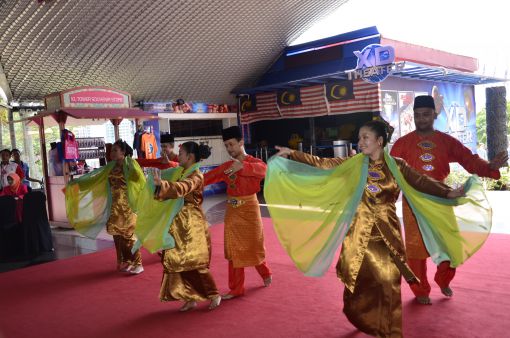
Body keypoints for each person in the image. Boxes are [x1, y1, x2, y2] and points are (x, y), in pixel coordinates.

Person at [270, 120, 467, 337]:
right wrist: (293, 154)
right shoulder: (355, 163)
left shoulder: (397, 165)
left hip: (388, 232)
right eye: (359, 137)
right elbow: (324, 163)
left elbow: (421, 181)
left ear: (379, 141)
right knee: (359, 280)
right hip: (360, 232)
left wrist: (448, 192)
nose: (360, 141)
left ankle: (390, 330)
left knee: (389, 279)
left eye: (365, 137)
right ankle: (361, 316)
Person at [390, 95, 508, 305]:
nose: (421, 119)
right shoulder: (401, 144)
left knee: (447, 245)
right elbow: (391, 174)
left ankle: (443, 279)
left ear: (434, 115)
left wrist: (489, 167)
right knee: (416, 250)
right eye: (417, 115)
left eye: (426, 114)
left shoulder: (446, 141)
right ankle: (420, 290)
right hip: (413, 203)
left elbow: (469, 160)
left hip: (442, 198)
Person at [204, 126, 272, 299]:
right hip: (233, 212)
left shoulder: (255, 162)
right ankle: (236, 288)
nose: (229, 149)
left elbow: (265, 171)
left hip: (250, 210)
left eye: (231, 144)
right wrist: (185, 182)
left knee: (254, 246)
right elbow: (207, 178)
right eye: (226, 145)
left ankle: (265, 272)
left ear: (241, 142)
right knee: (233, 250)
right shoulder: (227, 167)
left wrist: (242, 167)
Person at [154, 141, 221, 311]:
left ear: (190, 157)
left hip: (192, 225)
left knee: (194, 262)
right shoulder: (181, 171)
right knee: (175, 260)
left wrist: (163, 185)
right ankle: (189, 296)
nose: (178, 155)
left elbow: (183, 188)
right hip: (179, 224)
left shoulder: (196, 175)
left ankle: (214, 293)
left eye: (181, 153)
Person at [65, 140, 146, 274]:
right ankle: (127, 261)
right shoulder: (111, 166)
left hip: (127, 208)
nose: (112, 153)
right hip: (114, 208)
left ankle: (138, 263)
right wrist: (77, 184)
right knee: (117, 236)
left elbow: (139, 179)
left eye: (115, 150)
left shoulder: (130, 163)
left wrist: (130, 167)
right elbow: (95, 178)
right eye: (112, 150)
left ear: (123, 152)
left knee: (128, 237)